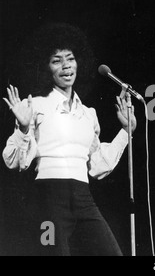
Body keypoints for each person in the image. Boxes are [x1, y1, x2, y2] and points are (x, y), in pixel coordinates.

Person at [2, 22, 137, 256]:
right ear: (45, 68)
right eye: (56, 60)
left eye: (70, 58)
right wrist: (23, 128)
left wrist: (126, 132)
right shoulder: (35, 105)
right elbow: (14, 161)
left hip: (83, 197)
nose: (66, 66)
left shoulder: (88, 113)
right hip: (49, 196)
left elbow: (97, 166)